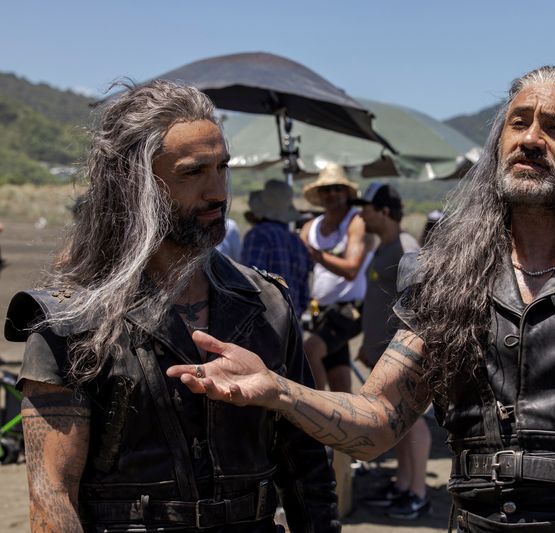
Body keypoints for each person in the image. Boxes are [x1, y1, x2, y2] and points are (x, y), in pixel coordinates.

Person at [168, 65, 555, 532]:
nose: (531, 139)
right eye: (519, 122)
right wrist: (280, 390)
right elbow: (377, 422)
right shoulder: (451, 278)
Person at [5, 80, 339, 533]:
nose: (219, 191)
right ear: (134, 183)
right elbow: (53, 500)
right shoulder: (70, 321)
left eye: (222, 167)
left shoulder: (266, 304)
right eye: (193, 172)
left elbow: (305, 469)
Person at [351, 183, 431, 519]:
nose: (361, 213)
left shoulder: (406, 249)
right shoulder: (384, 247)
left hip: (401, 361)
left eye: (366, 207)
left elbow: (421, 308)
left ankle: (417, 492)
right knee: (399, 424)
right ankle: (402, 484)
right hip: (382, 356)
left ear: (384, 212)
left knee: (411, 422)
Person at [299, 164, 375, 392]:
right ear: (319, 195)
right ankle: (347, 423)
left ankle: (315, 414)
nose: (331, 194)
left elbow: (352, 269)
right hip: (320, 311)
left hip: (348, 310)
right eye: (326, 189)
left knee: (310, 351)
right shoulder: (311, 227)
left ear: (347, 193)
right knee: (340, 380)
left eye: (337, 189)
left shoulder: (356, 222)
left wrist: (317, 255)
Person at [241, 179, 312, 317]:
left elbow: (250, 283)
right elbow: (304, 295)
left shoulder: (258, 235)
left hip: (265, 324)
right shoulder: (298, 242)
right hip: (293, 325)